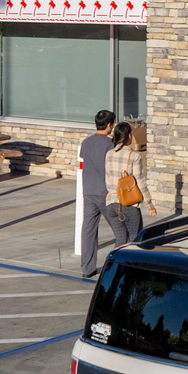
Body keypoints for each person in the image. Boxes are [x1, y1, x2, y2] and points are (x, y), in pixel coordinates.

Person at [77, 110, 117, 277]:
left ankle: (87, 269)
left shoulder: (86, 142)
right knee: (120, 230)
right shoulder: (110, 144)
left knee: (88, 230)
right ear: (109, 125)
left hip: (88, 191)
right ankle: (119, 266)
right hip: (105, 192)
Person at [104, 119, 145, 249]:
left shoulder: (109, 154)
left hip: (111, 204)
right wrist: (150, 205)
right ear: (129, 136)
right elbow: (140, 182)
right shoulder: (134, 156)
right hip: (129, 204)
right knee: (135, 241)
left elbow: (108, 179)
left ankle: (115, 260)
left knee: (120, 240)